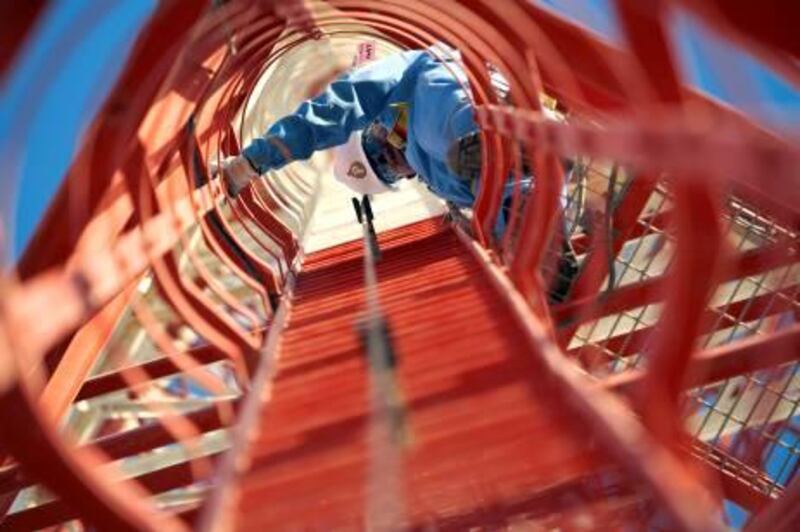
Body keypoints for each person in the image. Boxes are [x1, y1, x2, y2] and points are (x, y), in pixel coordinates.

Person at [213, 45, 577, 301]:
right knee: (495, 193)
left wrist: (252, 162)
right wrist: (470, 222)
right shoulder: (429, 173)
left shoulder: (403, 86)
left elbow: (337, 108)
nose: (391, 160)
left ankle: (513, 147)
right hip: (496, 164)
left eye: (378, 152)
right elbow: (467, 192)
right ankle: (539, 236)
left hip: (457, 101)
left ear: (370, 133)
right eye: (388, 171)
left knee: (441, 135)